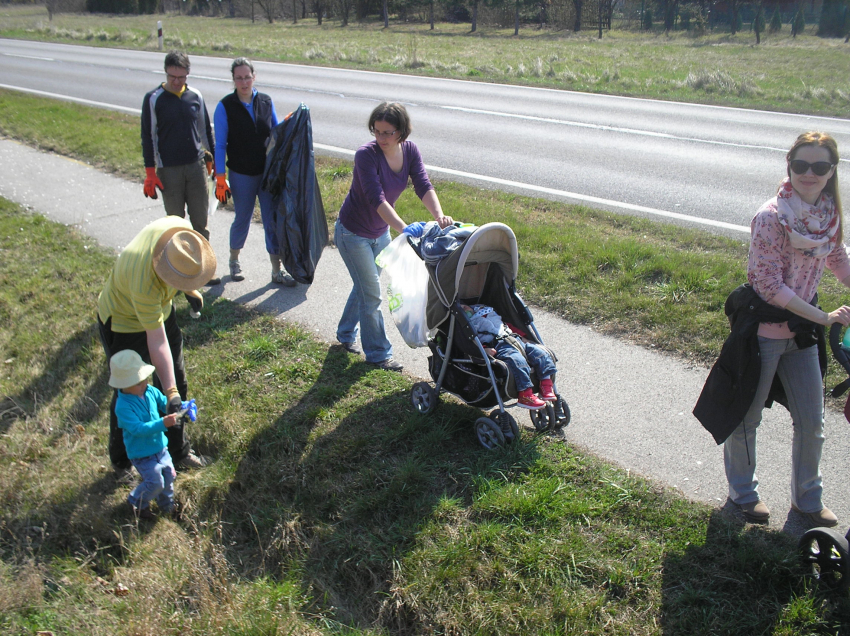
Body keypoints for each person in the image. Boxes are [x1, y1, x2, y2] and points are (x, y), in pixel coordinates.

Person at [697, 132, 850, 527]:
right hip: (764, 333)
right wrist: (822, 318)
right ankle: (743, 496)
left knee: (812, 420)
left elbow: (837, 260)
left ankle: (807, 501)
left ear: (832, 170)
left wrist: (818, 317)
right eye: (801, 165)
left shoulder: (828, 215)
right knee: (747, 420)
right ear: (789, 166)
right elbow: (768, 285)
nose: (809, 174)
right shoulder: (771, 217)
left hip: (801, 336)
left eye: (820, 166)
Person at [335, 102, 453, 371]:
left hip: (379, 232)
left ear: (401, 132)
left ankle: (344, 334)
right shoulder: (366, 155)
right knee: (372, 294)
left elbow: (423, 183)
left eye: (388, 132)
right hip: (352, 233)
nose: (381, 138)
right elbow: (376, 198)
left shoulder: (410, 150)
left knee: (366, 287)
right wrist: (403, 227)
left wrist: (439, 216)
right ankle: (378, 354)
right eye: (376, 131)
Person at [97, 216, 215, 475]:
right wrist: (170, 392)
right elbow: (157, 340)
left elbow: (181, 267)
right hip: (123, 321)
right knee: (129, 392)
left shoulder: (182, 236)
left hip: (160, 310)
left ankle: (177, 452)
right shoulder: (145, 282)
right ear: (165, 272)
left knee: (177, 380)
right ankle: (122, 461)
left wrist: (190, 290)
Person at [213, 57, 295, 287]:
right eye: (238, 78)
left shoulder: (266, 101)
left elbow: (277, 134)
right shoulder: (225, 106)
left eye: (247, 77)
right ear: (233, 80)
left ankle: (276, 271)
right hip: (241, 175)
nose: (243, 82)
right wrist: (221, 179)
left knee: (271, 220)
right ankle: (234, 260)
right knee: (243, 218)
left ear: (254, 76)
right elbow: (220, 145)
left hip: (267, 175)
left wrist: (289, 124)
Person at [141, 50, 220, 286]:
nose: (177, 82)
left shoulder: (195, 96)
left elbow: (206, 131)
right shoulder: (154, 98)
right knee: (175, 223)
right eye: (172, 77)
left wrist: (217, 165)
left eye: (182, 77)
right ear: (166, 73)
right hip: (169, 170)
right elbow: (148, 137)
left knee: (200, 222)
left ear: (188, 74)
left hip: (196, 168)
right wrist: (150, 172)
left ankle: (204, 269)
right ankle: (177, 272)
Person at [109, 350, 179, 520]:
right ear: (123, 384)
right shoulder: (123, 406)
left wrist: (179, 407)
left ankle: (167, 505)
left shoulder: (149, 391)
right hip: (142, 453)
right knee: (155, 482)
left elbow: (164, 403)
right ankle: (137, 502)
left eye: (144, 379)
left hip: (160, 447)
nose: (144, 384)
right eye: (138, 382)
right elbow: (138, 429)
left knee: (169, 475)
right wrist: (163, 423)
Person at [462, 304, 558, 409]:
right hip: (499, 346)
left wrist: (524, 338)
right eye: (461, 308)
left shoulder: (491, 314)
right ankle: (525, 393)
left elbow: (508, 326)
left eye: (465, 306)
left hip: (516, 340)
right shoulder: (470, 325)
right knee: (517, 360)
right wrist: (484, 349)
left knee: (541, 354)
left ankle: (546, 385)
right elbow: (472, 342)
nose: (464, 308)